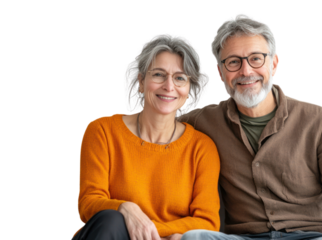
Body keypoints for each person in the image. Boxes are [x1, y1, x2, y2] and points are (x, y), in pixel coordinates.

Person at [179, 11, 322, 240]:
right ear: (221, 73)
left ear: (274, 63)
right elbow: (156, 133)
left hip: (312, 236)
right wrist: (128, 207)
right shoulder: (202, 122)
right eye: (233, 62)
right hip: (245, 237)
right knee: (193, 238)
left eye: (256, 58)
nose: (246, 71)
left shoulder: (317, 120)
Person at [72, 31, 220, 240]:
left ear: (187, 91)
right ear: (141, 82)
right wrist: (124, 209)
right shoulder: (102, 130)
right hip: (107, 235)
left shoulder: (201, 148)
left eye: (179, 78)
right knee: (113, 219)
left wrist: (146, 229)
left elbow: (208, 222)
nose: (169, 86)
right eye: (158, 74)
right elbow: (88, 203)